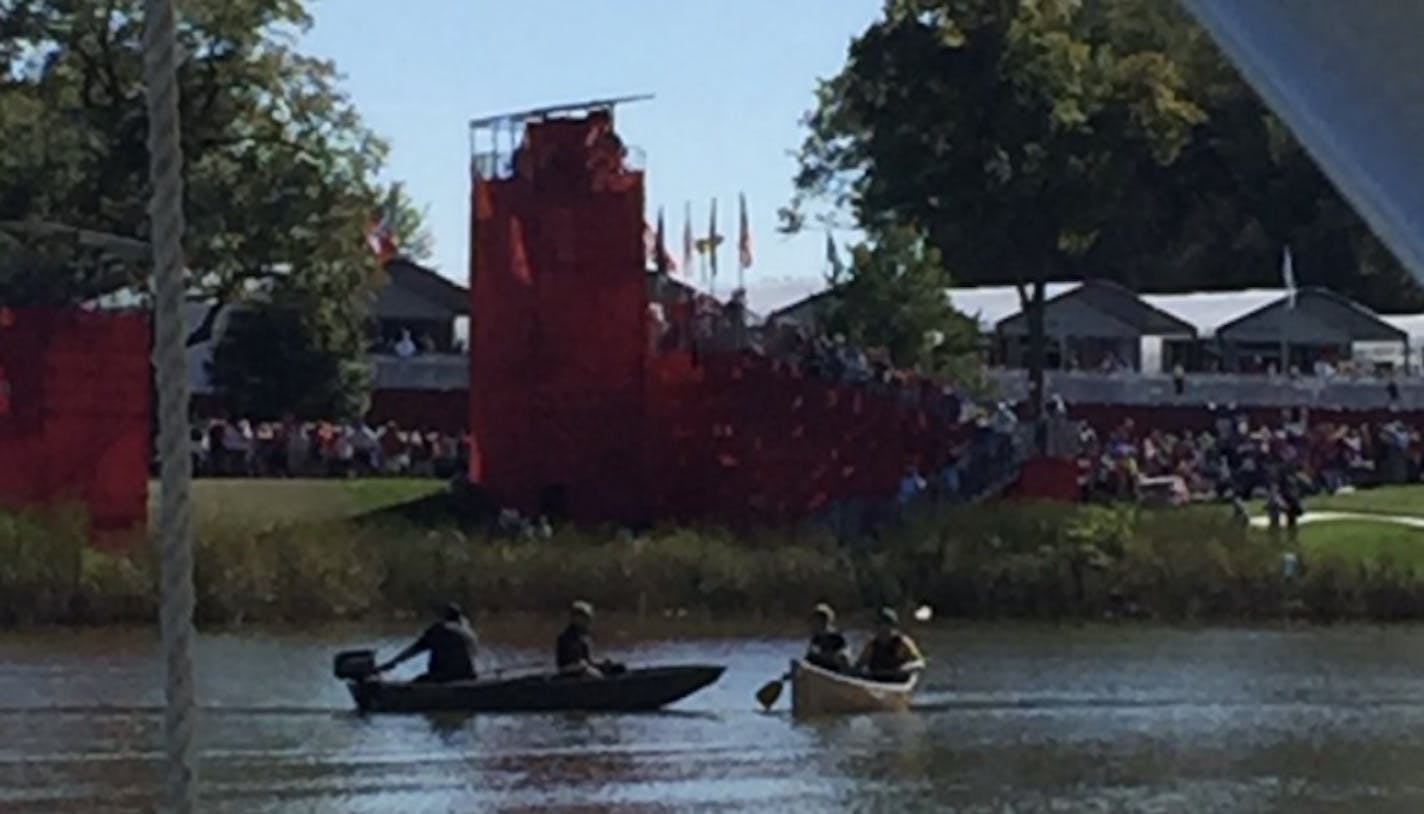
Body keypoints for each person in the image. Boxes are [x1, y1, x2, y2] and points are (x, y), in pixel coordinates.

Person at [376, 603, 478, 683]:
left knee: (416, 683)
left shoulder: (437, 630)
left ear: (444, 616)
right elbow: (474, 653)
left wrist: (391, 664)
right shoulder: (467, 631)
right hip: (467, 676)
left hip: (441, 677)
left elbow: (414, 650)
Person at [856, 608, 925, 683]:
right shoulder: (872, 645)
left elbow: (920, 662)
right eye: (879, 624)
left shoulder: (903, 643)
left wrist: (906, 668)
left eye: (886, 624)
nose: (882, 629)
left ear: (893, 626)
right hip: (875, 680)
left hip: (897, 681)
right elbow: (858, 665)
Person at [556, 600, 614, 678]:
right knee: (593, 674)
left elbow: (588, 661)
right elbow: (564, 666)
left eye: (588, 618)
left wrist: (602, 664)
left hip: (583, 670)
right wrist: (582, 666)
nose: (588, 621)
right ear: (576, 618)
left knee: (617, 669)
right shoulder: (565, 638)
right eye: (585, 618)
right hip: (569, 675)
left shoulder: (585, 637)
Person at [805, 604, 850, 673]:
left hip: (834, 674)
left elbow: (844, 660)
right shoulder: (816, 639)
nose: (814, 623)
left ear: (825, 621)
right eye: (814, 620)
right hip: (818, 673)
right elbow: (809, 659)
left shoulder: (837, 639)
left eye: (818, 619)